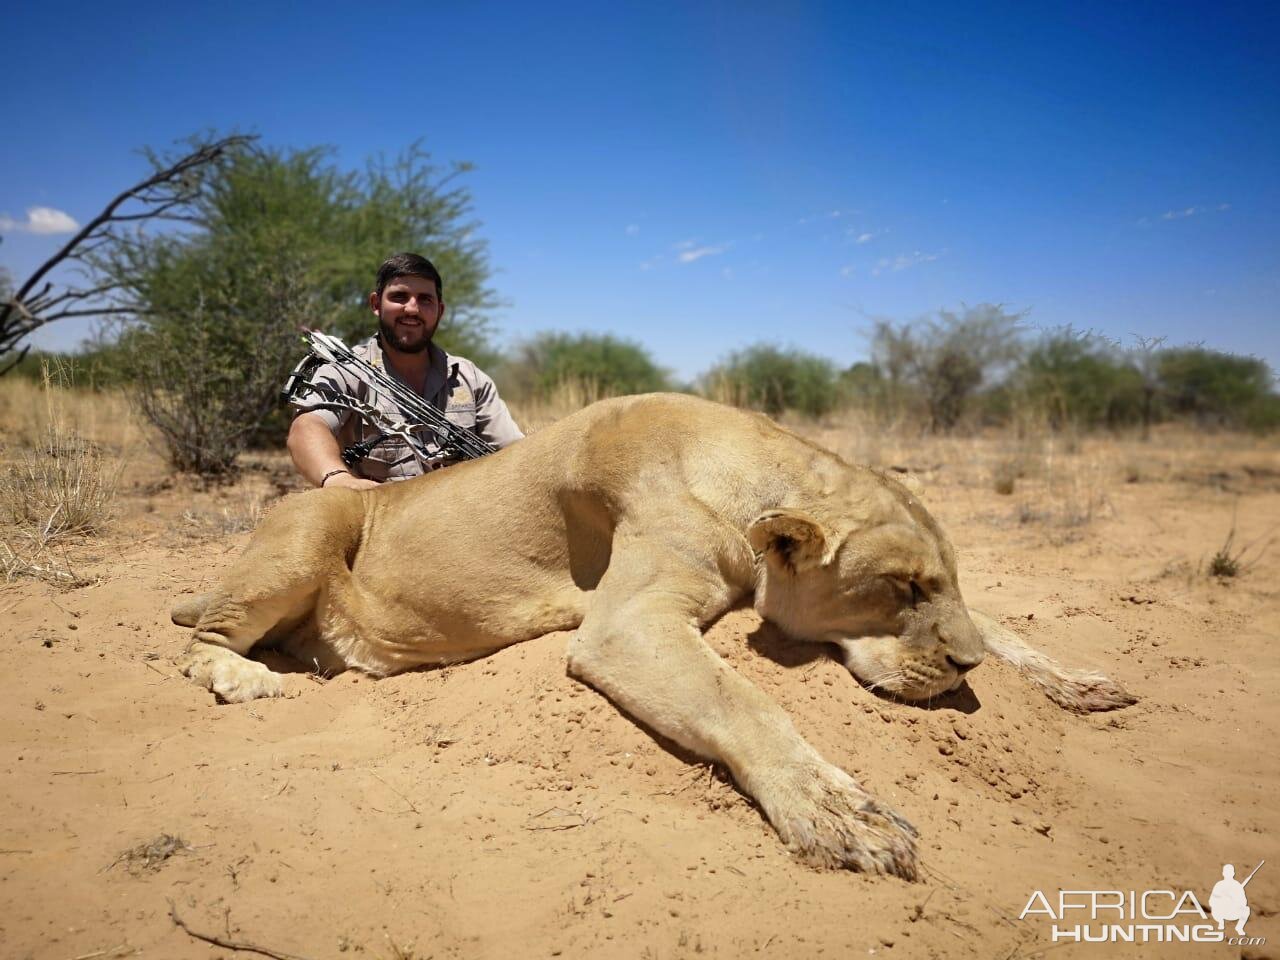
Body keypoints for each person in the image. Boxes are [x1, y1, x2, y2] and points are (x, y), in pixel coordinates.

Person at [287, 252, 523, 489]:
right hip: (381, 518)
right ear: (376, 304)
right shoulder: (344, 372)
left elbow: (515, 453)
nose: (412, 309)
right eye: (399, 297)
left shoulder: (470, 378)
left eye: (424, 299)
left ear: (440, 311)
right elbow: (307, 429)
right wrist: (339, 479)